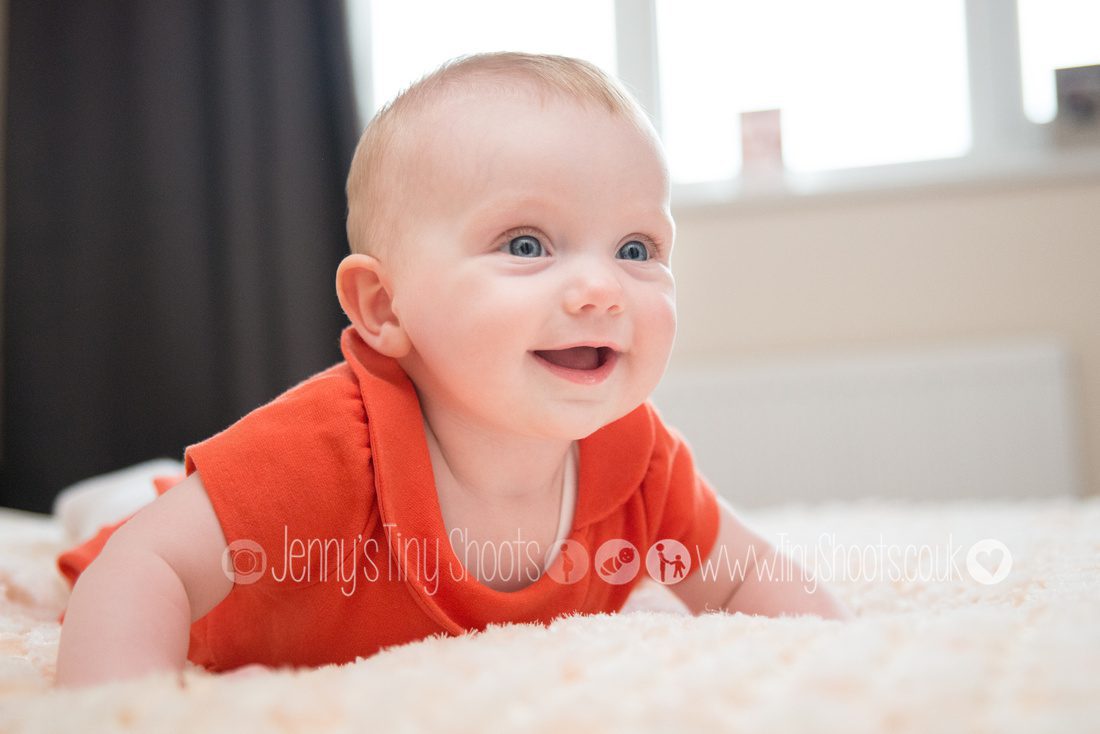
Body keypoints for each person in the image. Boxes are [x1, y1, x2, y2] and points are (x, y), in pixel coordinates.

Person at [54, 52, 850, 688]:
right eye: (527, 244)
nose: (602, 288)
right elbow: (144, 567)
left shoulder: (636, 460)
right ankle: (117, 494)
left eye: (636, 249)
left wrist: (837, 674)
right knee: (132, 524)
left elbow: (747, 583)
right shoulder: (327, 449)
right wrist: (121, 706)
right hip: (189, 574)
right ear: (384, 306)